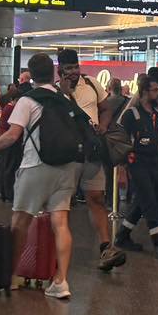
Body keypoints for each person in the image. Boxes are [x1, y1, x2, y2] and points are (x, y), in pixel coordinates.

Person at [0, 53, 82, 300]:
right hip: (66, 166)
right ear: (53, 72)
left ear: (31, 75)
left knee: (20, 222)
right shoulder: (64, 98)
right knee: (61, 223)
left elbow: (13, 135)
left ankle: (11, 275)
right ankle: (61, 281)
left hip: (35, 166)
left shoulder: (27, 100)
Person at [57, 49, 125, 271]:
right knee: (62, 202)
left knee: (96, 198)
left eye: (76, 67)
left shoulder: (91, 84)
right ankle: (57, 250)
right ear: (60, 70)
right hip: (68, 153)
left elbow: (105, 109)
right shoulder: (56, 91)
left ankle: (106, 247)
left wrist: (103, 126)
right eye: (68, 68)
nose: (73, 72)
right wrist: (65, 93)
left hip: (92, 150)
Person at [115, 75, 158, 260]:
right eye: (155, 90)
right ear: (144, 92)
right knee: (150, 203)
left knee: (141, 201)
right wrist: (122, 169)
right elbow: (121, 143)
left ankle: (122, 236)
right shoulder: (131, 115)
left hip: (155, 164)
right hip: (137, 164)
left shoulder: (157, 114)